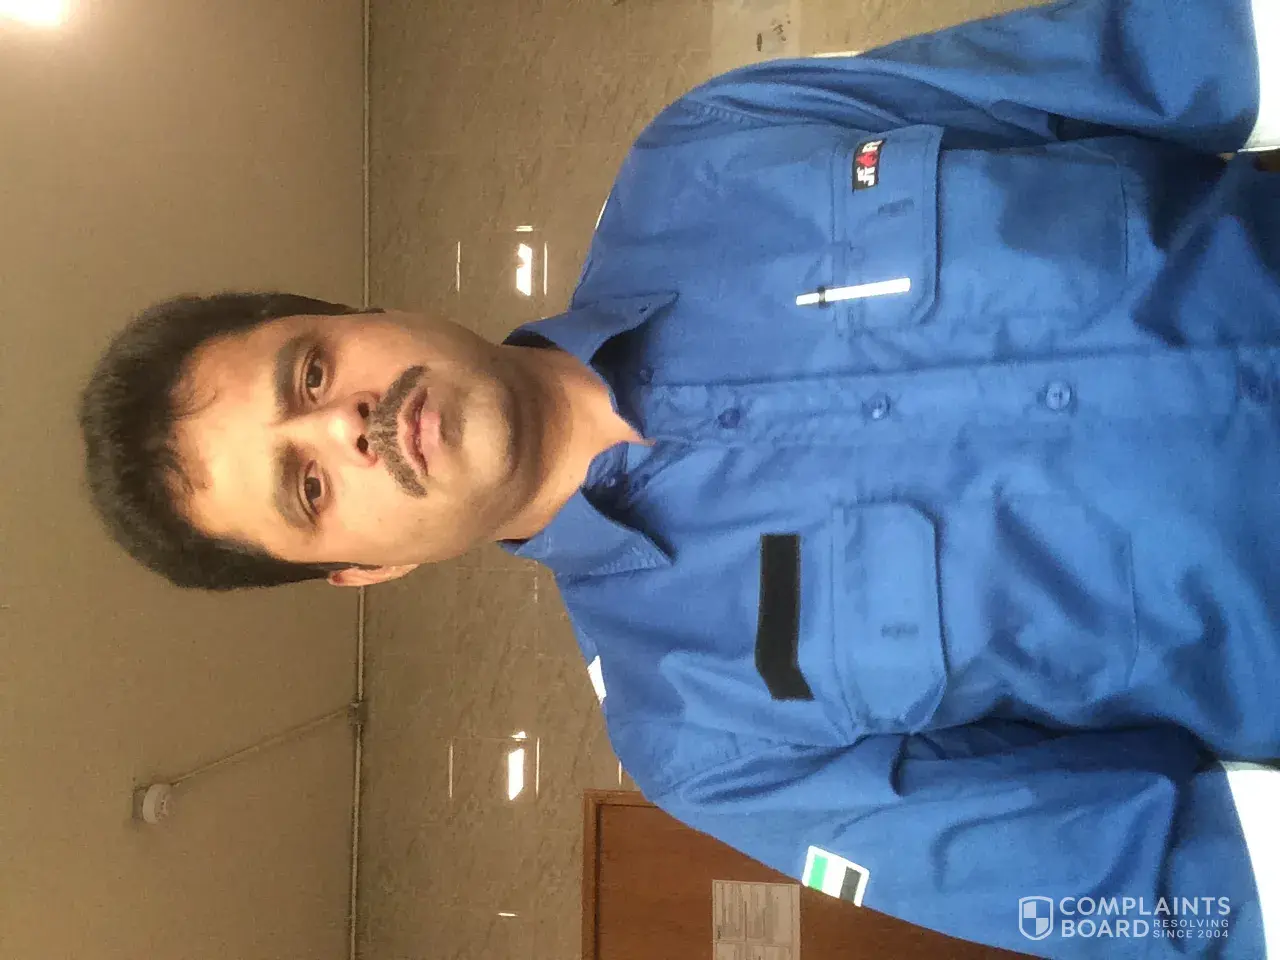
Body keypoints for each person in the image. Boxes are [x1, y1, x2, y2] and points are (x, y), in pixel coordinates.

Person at [79, 0, 1279, 955]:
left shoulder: (710, 146)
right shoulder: (702, 737)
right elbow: (1147, 889)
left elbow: (1148, 58)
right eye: (306, 488)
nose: (346, 426)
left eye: (309, 372)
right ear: (362, 570)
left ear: (366, 311)